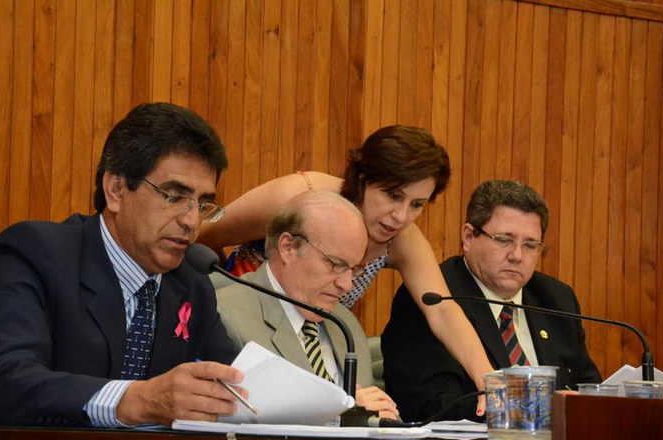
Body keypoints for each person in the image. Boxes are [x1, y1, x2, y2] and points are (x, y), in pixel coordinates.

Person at [0, 103, 245, 440]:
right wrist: (137, 400)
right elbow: (0, 381)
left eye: (202, 203)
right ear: (116, 190)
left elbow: (237, 383)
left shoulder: (191, 285)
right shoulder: (36, 253)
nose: (191, 221)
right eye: (175, 196)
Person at [199, 125, 494, 412]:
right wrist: (214, 295)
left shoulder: (402, 240)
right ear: (363, 179)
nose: (401, 216)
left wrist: (488, 381)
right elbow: (203, 237)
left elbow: (443, 311)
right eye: (393, 195)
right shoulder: (299, 197)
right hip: (249, 323)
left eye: (417, 204)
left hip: (314, 332)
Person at [381, 180, 602, 423]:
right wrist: (523, 412)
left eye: (530, 245)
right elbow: (427, 406)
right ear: (468, 237)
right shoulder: (434, 296)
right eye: (504, 240)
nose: (517, 256)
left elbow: (589, 389)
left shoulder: (556, 299)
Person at [215, 190, 399, 420]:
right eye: (336, 264)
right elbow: (235, 420)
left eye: (353, 269)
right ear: (288, 247)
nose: (347, 285)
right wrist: (340, 417)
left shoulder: (345, 323)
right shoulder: (225, 316)